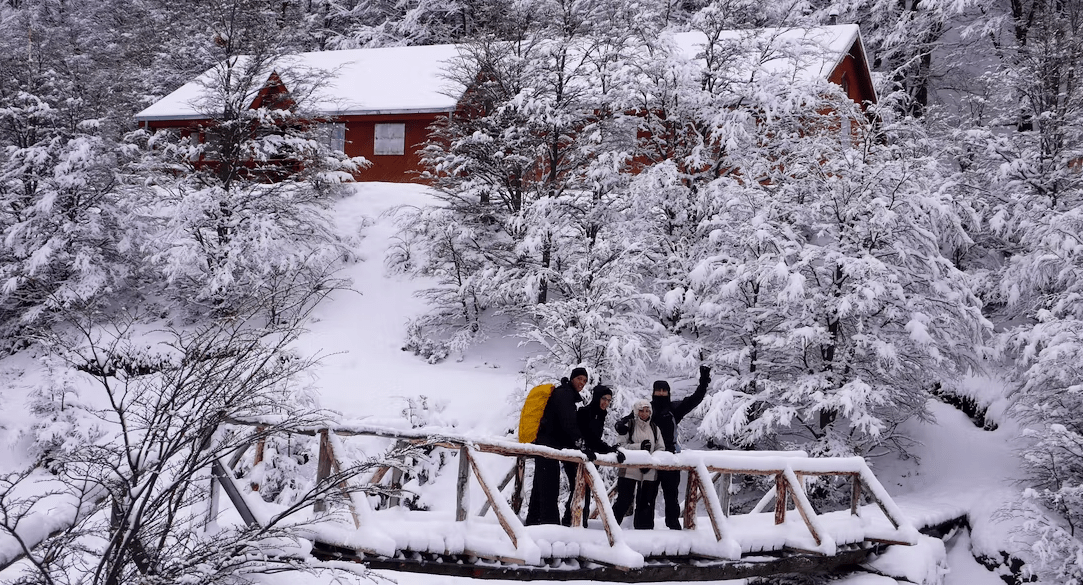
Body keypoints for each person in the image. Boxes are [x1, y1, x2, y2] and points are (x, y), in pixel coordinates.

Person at [616, 365, 711, 529]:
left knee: (671, 496)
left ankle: (673, 527)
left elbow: (695, 399)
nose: (661, 393)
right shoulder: (647, 409)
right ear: (653, 392)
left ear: (668, 392)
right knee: (646, 495)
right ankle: (643, 528)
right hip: (649, 459)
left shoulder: (674, 409)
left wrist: (703, 381)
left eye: (664, 390)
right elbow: (627, 421)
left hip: (670, 458)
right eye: (658, 390)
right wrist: (620, 425)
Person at [525, 367, 588, 526]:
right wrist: (579, 441)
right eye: (580, 378)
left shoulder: (565, 393)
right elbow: (567, 422)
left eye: (585, 381)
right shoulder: (565, 394)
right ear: (572, 378)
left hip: (547, 444)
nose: (582, 383)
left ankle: (534, 521)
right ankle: (549, 524)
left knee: (541, 485)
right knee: (550, 486)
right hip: (548, 445)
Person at [566, 384, 626, 526]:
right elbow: (578, 435)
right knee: (577, 489)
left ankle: (581, 522)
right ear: (597, 397)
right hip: (577, 456)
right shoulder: (585, 412)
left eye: (609, 400)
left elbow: (595, 441)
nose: (606, 402)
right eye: (603, 398)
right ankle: (571, 522)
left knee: (585, 490)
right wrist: (584, 448)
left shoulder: (600, 415)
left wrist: (610, 450)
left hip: (590, 457)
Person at [611, 399, 664, 529]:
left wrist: (650, 461)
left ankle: (643, 532)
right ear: (636, 411)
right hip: (629, 470)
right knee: (624, 500)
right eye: (641, 410)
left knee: (646, 503)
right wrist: (639, 447)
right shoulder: (629, 425)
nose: (644, 414)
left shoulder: (654, 428)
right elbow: (621, 445)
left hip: (649, 472)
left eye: (647, 411)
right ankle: (611, 527)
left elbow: (661, 448)